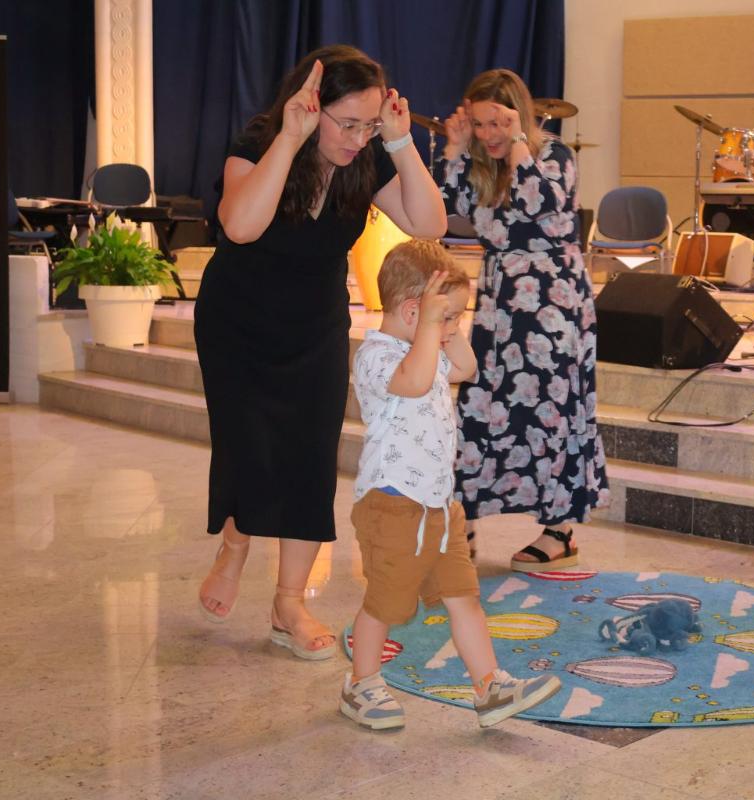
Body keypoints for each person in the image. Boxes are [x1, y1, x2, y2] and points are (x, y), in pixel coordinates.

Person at [194, 45, 447, 659]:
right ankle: (235, 544)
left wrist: (398, 142)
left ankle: (290, 602)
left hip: (315, 326)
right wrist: (290, 139)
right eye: (348, 124)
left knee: (309, 458)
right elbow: (240, 226)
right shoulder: (260, 141)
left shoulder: (367, 160)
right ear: (312, 107)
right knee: (249, 447)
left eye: (369, 125)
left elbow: (430, 224)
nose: (358, 139)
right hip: (238, 324)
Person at [340, 240, 562, 729]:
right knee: (385, 603)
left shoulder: (431, 349)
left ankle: (489, 686)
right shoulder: (376, 355)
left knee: (464, 596)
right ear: (412, 312)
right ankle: (361, 683)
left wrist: (446, 325)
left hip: (440, 508)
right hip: (393, 506)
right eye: (448, 317)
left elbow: (466, 368)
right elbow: (415, 382)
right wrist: (430, 328)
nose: (452, 327)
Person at [433, 69, 608, 572]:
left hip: (553, 302)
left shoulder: (554, 155)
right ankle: (463, 520)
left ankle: (560, 532)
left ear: (519, 116)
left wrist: (516, 144)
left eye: (497, 123)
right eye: (479, 123)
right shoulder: (480, 161)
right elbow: (446, 208)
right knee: (480, 405)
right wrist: (454, 150)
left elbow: (538, 201)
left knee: (552, 409)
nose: (488, 133)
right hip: (500, 301)